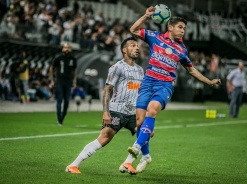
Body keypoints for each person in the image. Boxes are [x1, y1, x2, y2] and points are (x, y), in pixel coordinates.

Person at [126, 7, 221, 163]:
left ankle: (136, 147)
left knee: (152, 109)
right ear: (170, 27)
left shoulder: (182, 50)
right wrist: (146, 16)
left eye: (184, 28)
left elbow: (191, 70)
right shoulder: (155, 37)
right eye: (180, 27)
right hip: (148, 82)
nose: (183, 31)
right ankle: (146, 156)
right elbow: (133, 29)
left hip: (164, 85)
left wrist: (209, 81)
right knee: (139, 122)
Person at [65, 37, 151, 175]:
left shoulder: (140, 70)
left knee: (146, 133)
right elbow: (107, 90)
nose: (137, 48)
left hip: (133, 113)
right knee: (104, 138)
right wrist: (106, 112)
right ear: (124, 50)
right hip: (117, 111)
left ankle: (127, 162)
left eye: (137, 46)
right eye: (132, 45)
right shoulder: (117, 68)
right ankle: (73, 165)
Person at [49, 43, 77, 126]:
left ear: (70, 49)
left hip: (68, 83)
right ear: (62, 49)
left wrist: (74, 81)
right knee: (59, 100)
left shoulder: (73, 59)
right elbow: (52, 69)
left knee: (67, 102)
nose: (67, 49)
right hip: (59, 82)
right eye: (65, 47)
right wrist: (52, 80)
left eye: (68, 47)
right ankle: (59, 119)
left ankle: (62, 118)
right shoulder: (58, 58)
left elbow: (74, 71)